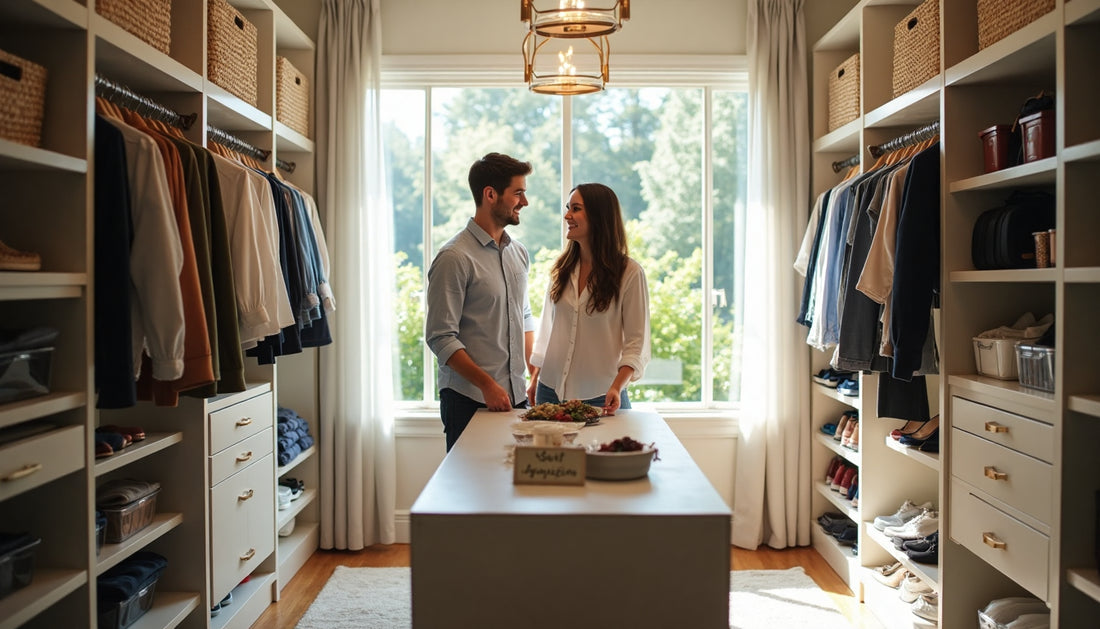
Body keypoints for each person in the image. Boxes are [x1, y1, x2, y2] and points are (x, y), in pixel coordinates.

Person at [425, 152, 536, 451]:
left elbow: (522, 315)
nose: (524, 202)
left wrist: (534, 371)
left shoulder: (519, 253)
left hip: (516, 399)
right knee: (471, 495)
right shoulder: (454, 258)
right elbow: (440, 338)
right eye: (518, 193)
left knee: (514, 490)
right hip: (468, 402)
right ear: (490, 194)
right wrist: (487, 385)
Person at [527, 183, 651, 416]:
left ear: (598, 216)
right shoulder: (561, 270)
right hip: (549, 391)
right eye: (568, 208)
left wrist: (617, 386)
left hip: (603, 395)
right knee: (552, 454)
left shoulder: (630, 273)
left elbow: (637, 342)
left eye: (576, 209)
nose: (567, 215)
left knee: (601, 453)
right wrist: (535, 378)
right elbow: (547, 331)